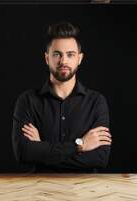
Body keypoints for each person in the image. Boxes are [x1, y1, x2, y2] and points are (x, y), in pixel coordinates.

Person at [11, 22, 112, 173]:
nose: (63, 61)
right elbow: (24, 153)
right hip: (39, 191)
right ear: (47, 58)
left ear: (79, 58)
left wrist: (42, 152)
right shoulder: (27, 100)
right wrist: (80, 145)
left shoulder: (96, 101)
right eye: (57, 54)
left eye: (70, 54)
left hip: (85, 191)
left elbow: (100, 158)